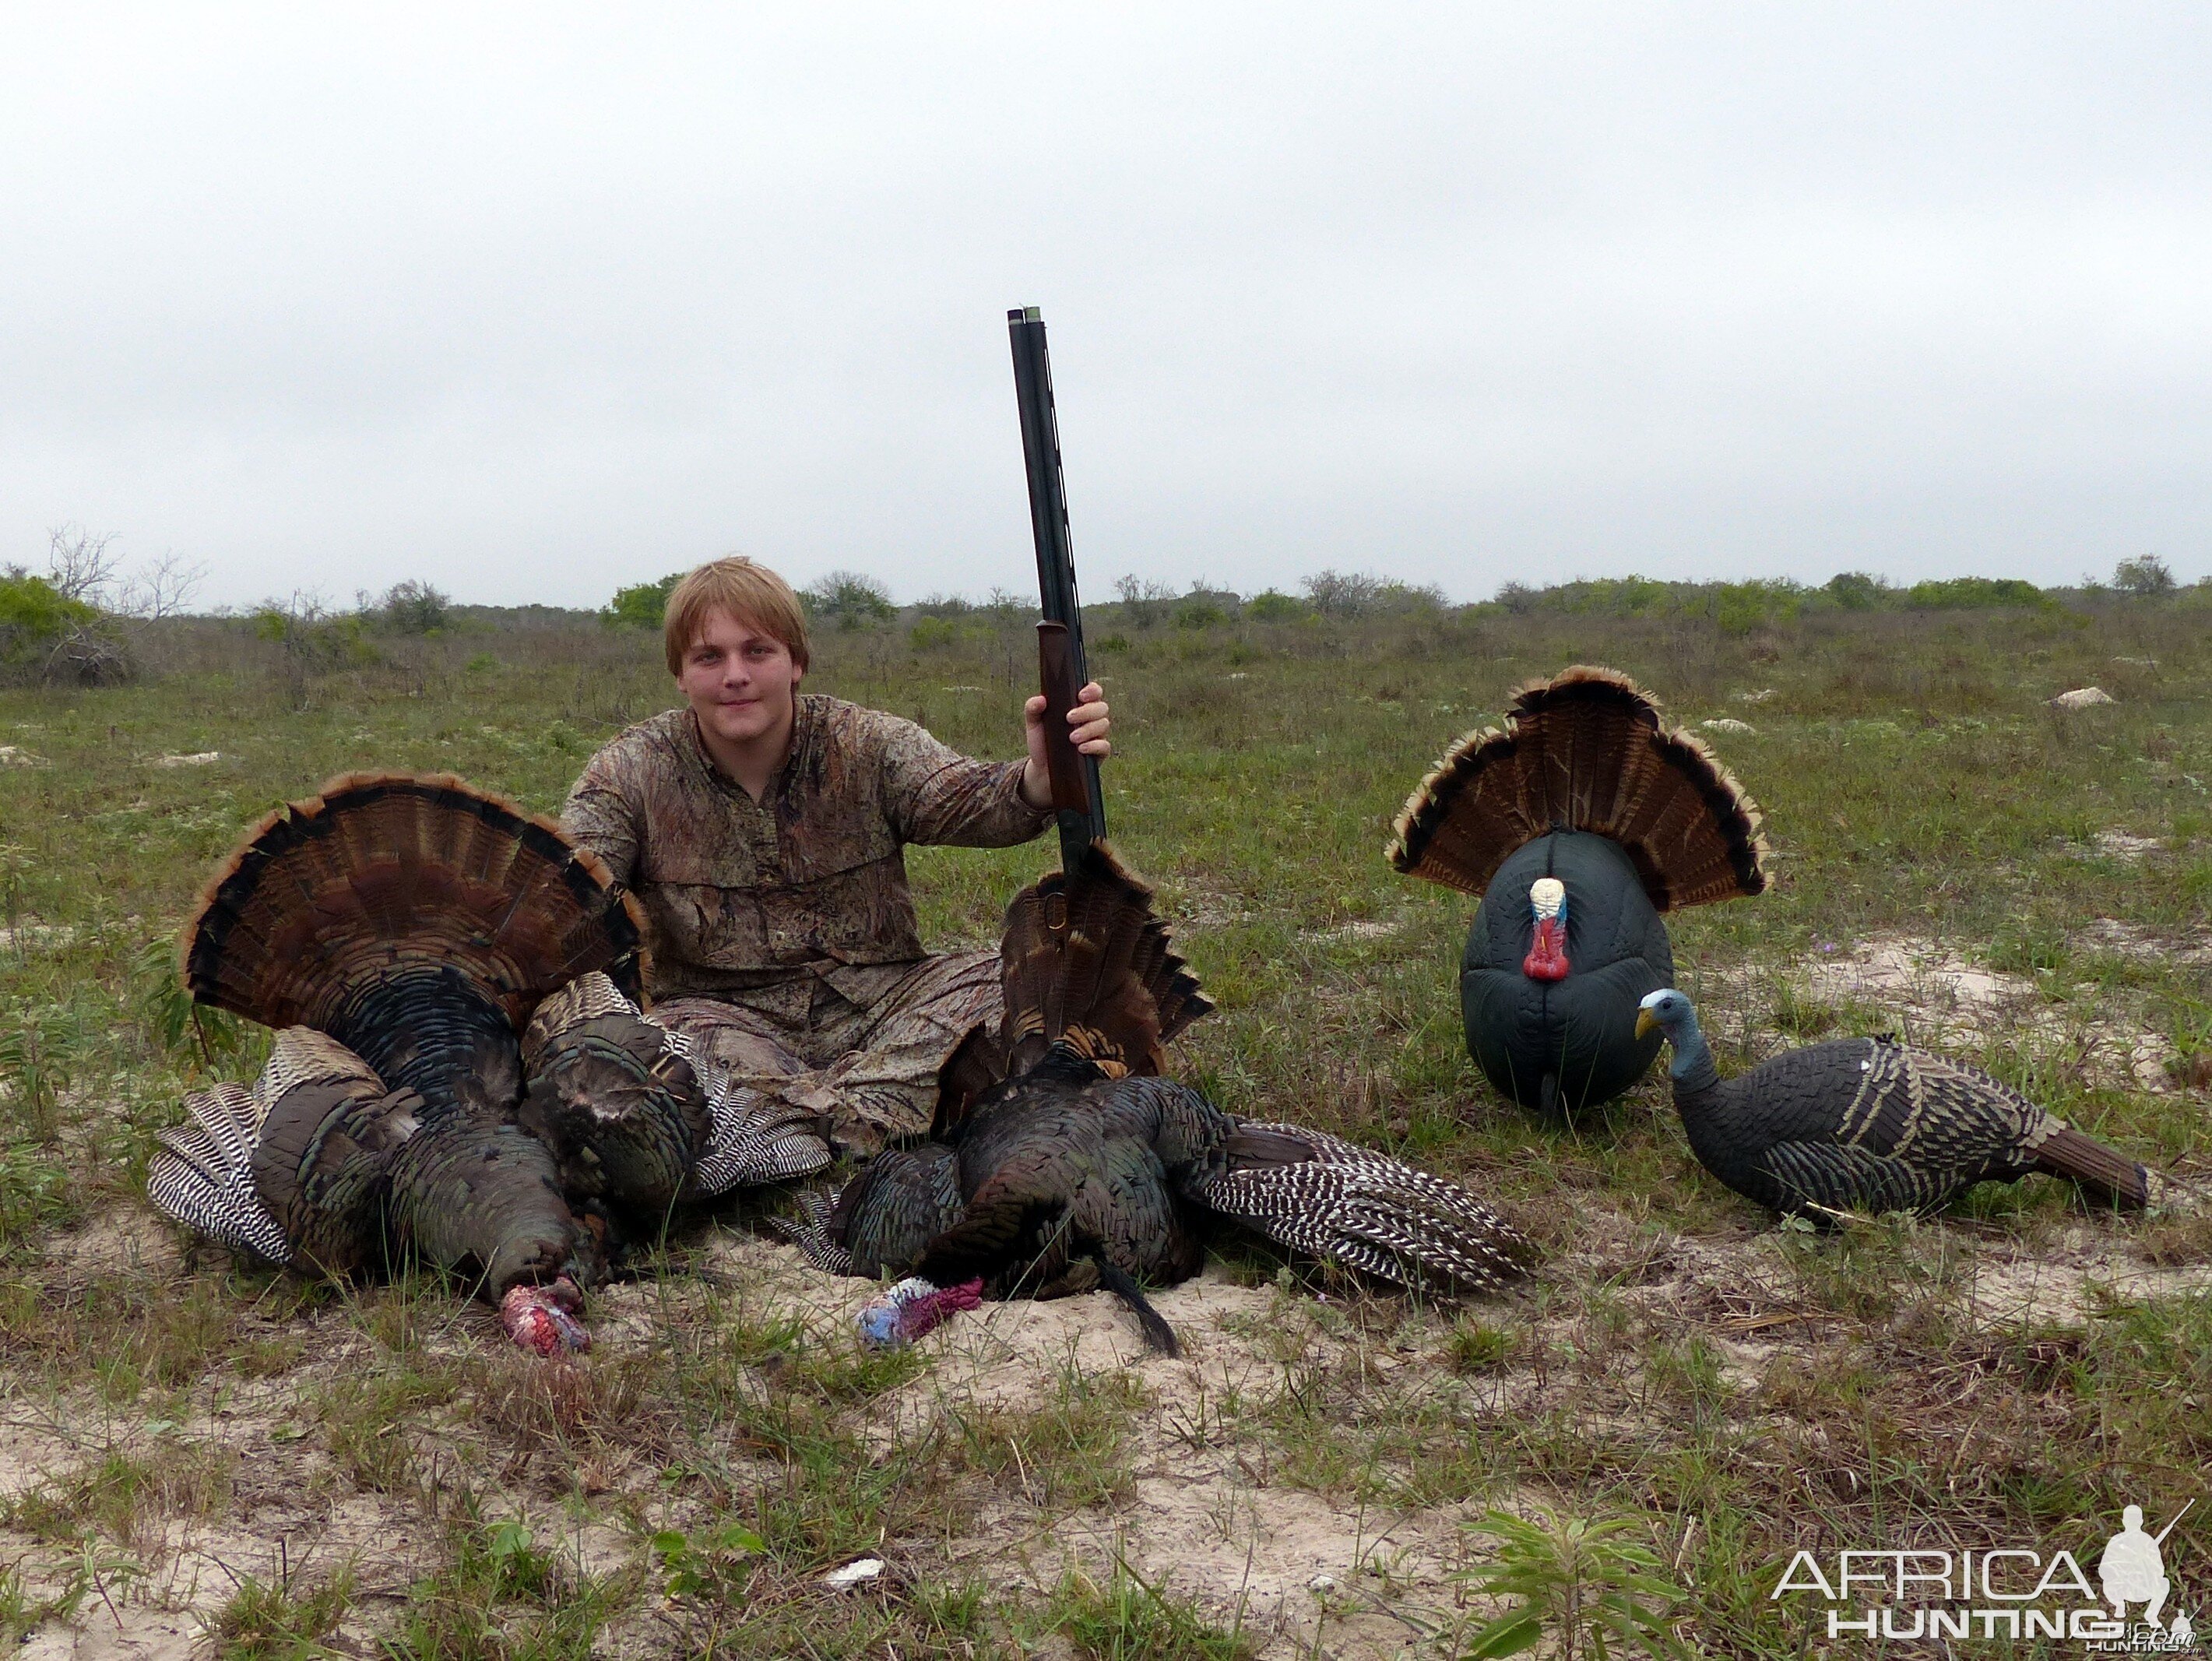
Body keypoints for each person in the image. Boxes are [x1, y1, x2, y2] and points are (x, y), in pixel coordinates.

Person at [561, 555, 1110, 1156]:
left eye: (757, 651)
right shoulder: (629, 771)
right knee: (658, 1043)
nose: (735, 675)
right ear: (680, 674)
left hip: (888, 1002)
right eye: (709, 657)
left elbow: (974, 800)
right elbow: (569, 900)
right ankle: (892, 1113)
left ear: (795, 661)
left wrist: (1042, 774)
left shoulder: (866, 742)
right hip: (719, 1020)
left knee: (1034, 979)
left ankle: (791, 1127)